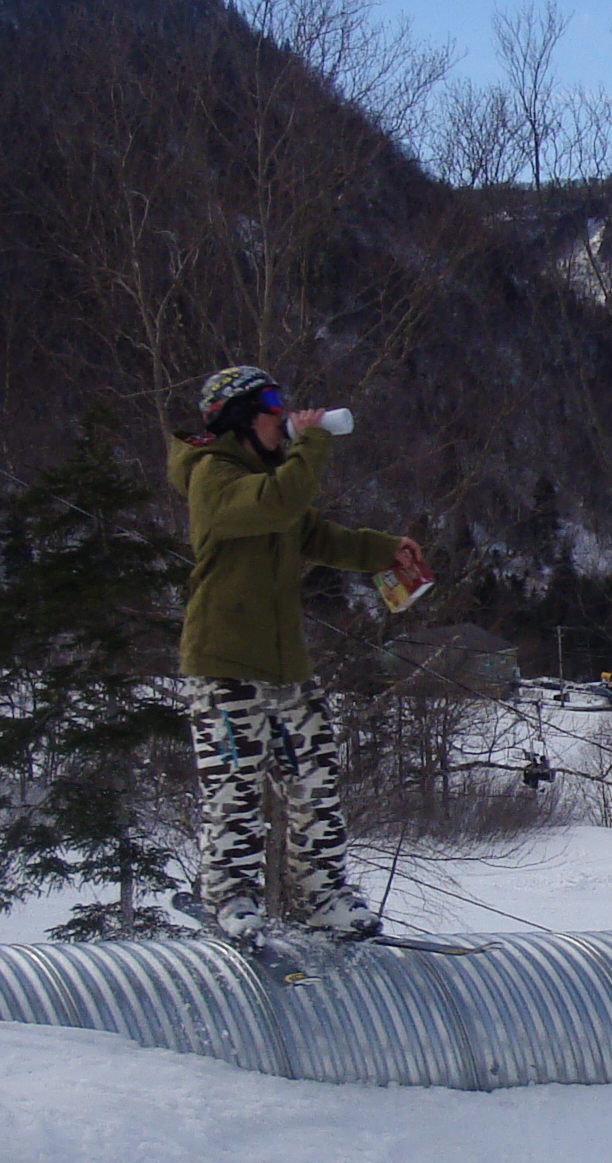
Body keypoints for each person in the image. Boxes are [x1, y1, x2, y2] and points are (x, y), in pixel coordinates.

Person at [169, 366, 424, 941]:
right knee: (234, 787)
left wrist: (386, 551)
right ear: (239, 419)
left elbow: (316, 533)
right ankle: (230, 899)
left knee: (316, 781)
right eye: (270, 407)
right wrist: (312, 442)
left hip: (286, 668)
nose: (283, 416)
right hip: (224, 666)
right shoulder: (215, 477)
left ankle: (323, 894)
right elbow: (280, 505)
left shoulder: (266, 481)